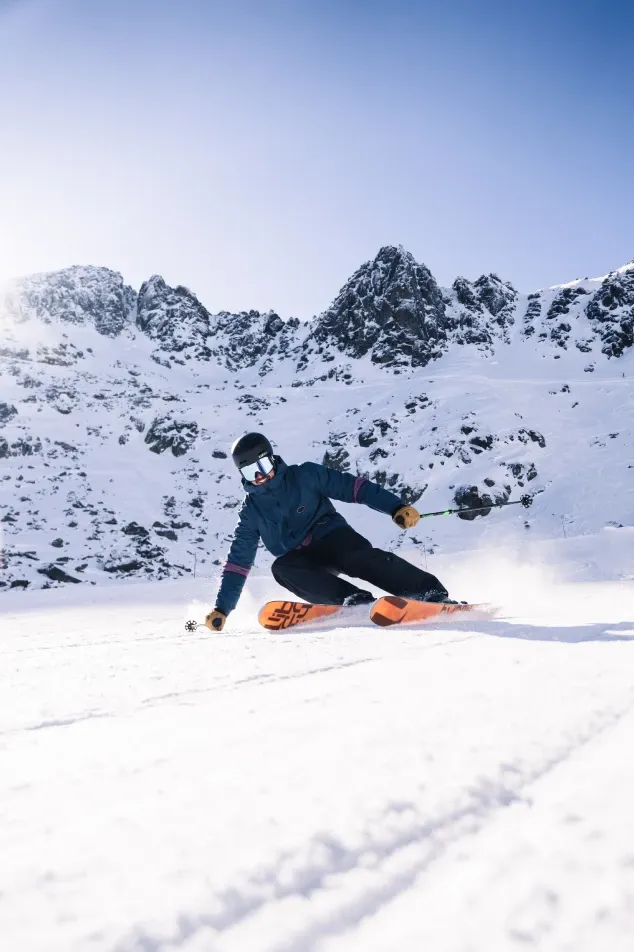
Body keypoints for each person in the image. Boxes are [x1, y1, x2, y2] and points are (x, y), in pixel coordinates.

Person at [205, 432, 453, 631]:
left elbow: (353, 488)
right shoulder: (251, 512)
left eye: (262, 465)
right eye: (251, 472)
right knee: (281, 569)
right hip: (302, 557)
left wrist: (396, 507)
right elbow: (238, 562)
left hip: (332, 536)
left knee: (357, 559)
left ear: (272, 458)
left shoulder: (305, 475)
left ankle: (428, 592)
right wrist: (222, 608)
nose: (260, 476)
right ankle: (353, 601)